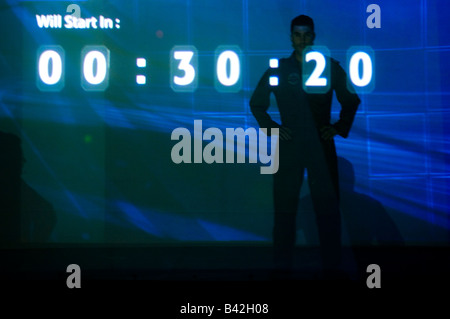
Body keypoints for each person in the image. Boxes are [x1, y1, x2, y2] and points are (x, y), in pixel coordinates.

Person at [249, 15, 360, 276]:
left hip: (321, 145)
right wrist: (274, 129)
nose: (301, 39)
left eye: (306, 34)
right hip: (290, 146)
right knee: (285, 208)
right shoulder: (278, 69)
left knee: (328, 209)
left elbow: (351, 100)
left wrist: (337, 127)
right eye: (297, 34)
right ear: (290, 37)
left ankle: (331, 267)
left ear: (314, 36)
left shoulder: (329, 67)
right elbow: (257, 104)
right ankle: (281, 267)